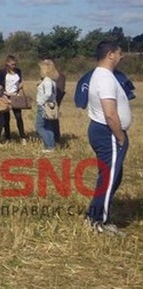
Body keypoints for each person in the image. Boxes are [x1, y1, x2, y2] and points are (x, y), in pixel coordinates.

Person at [85, 40, 131, 236]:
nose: (122, 57)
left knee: (113, 176)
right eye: (120, 53)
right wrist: (120, 137)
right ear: (110, 54)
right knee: (109, 178)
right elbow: (110, 113)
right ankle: (99, 222)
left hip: (104, 131)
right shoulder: (105, 79)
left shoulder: (102, 76)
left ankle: (93, 214)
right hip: (108, 132)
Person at [0, 55, 27, 142]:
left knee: (18, 117)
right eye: (12, 64)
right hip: (5, 96)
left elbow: (20, 82)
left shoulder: (18, 71)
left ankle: (22, 137)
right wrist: (3, 94)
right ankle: (8, 137)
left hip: (15, 96)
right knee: (6, 118)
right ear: (7, 63)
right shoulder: (2, 72)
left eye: (15, 64)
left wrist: (20, 88)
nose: (14, 66)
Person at [34, 60, 59, 153]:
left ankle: (49, 146)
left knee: (39, 126)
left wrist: (41, 102)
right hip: (50, 106)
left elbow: (48, 94)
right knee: (48, 126)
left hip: (44, 106)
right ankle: (50, 145)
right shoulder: (52, 81)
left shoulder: (47, 81)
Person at [48, 59, 66, 143]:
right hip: (49, 100)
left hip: (54, 100)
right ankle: (53, 137)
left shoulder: (60, 76)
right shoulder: (47, 76)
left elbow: (60, 91)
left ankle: (55, 138)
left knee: (53, 118)